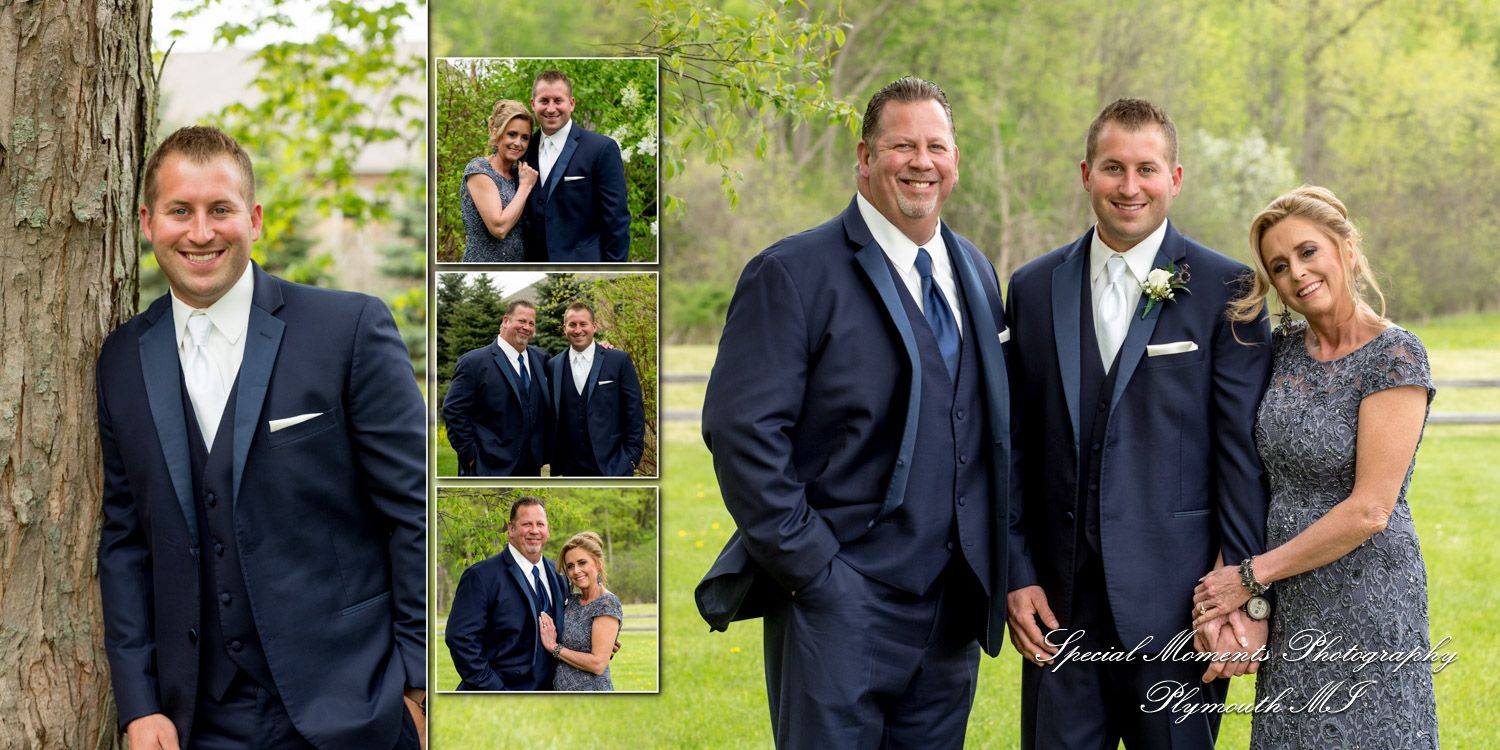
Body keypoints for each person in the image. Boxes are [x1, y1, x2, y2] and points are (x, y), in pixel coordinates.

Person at [695, 77, 1012, 748]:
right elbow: (740, 432)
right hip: (837, 605)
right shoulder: (791, 273)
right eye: (902, 145)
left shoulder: (976, 270)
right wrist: (814, 571)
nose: (921, 162)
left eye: (936, 146)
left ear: (955, 160)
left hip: (950, 612)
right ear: (865, 158)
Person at [96, 126, 425, 749]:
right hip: (195, 723)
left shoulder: (347, 329)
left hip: (354, 709)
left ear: (255, 218)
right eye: (179, 211)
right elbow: (125, 541)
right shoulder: (120, 361)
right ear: (146, 221)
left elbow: (414, 512)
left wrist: (417, 687)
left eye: (220, 209)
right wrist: (139, 706)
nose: (200, 232)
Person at [1002, 98, 1272, 748]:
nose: (1129, 186)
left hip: (1180, 607)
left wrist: (1239, 592)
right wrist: (1017, 572)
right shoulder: (1033, 288)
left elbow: (1242, 455)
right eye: (1113, 167)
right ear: (1086, 173)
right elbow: (1011, 445)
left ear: (1174, 178)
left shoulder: (1226, 288)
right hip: (1058, 610)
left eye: (1146, 169)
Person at [1191, 185, 1439, 748]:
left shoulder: (1395, 355)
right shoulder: (1279, 350)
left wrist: (1251, 576)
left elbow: (1371, 510)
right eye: (1279, 265)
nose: (1296, 273)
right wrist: (1235, 596)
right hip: (1290, 596)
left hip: (1368, 592)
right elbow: (1242, 470)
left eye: (1308, 252)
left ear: (1347, 250)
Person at [444, 496, 567, 691]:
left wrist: (598, 640)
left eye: (540, 524)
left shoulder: (560, 573)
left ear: (548, 530)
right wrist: (496, 690)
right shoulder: (481, 575)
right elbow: (460, 639)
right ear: (511, 529)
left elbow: (568, 626)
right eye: (526, 524)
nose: (534, 531)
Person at [521, 69, 631, 263]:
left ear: (571, 104)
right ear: (533, 104)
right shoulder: (523, 149)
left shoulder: (601, 148)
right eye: (544, 101)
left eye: (558, 100)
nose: (551, 108)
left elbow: (617, 221)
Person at [442, 300, 551, 476]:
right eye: (521, 321)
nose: (527, 327)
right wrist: (471, 457)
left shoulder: (541, 358)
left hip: (531, 466)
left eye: (531, 323)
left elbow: (568, 370)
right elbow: (453, 412)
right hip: (489, 467)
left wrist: (597, 350)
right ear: (506, 321)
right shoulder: (473, 362)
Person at [546, 302, 646, 476]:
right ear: (565, 328)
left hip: (612, 466)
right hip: (568, 468)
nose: (578, 330)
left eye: (583, 324)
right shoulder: (552, 365)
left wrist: (631, 458)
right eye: (572, 325)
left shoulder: (618, 360)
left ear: (594, 326)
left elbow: (634, 411)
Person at [539, 532, 624, 691]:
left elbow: (598, 664)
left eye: (582, 563)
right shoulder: (571, 601)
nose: (576, 571)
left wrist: (554, 647)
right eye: (570, 566)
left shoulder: (606, 603)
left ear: (598, 563)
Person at [460, 100, 538, 262]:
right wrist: (525, 187)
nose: (518, 143)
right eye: (511, 134)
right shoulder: (479, 170)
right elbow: (499, 228)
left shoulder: (520, 173)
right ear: (496, 134)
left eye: (524, 137)